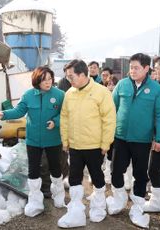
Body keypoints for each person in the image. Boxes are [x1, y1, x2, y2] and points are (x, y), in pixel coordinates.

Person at [0, 66, 65, 217]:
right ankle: (35, 200)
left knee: (56, 168)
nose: (48, 82)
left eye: (50, 78)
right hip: (33, 140)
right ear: (37, 80)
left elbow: (65, 113)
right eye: (44, 79)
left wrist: (55, 122)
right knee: (33, 170)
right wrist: (3, 114)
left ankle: (59, 195)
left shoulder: (59, 94)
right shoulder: (28, 95)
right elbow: (19, 111)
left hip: (53, 140)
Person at [106, 53, 160, 228]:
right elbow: (112, 109)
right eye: (130, 67)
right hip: (120, 138)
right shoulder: (122, 84)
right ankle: (118, 200)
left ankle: (137, 208)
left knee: (140, 175)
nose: (132, 71)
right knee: (116, 171)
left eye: (136, 68)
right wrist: (109, 133)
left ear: (147, 69)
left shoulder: (156, 89)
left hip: (142, 141)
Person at [58, 59, 116, 228]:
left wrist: (106, 143)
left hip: (94, 146)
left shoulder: (101, 92)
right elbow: (65, 117)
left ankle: (99, 207)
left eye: (71, 76)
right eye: (67, 76)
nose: (69, 80)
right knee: (74, 178)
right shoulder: (70, 93)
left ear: (83, 75)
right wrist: (65, 140)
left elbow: (109, 119)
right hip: (75, 145)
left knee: (97, 177)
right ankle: (76, 213)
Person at [143, 55, 160, 221]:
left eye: (157, 68)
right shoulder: (156, 87)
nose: (155, 71)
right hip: (159, 137)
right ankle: (157, 201)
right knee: (153, 169)